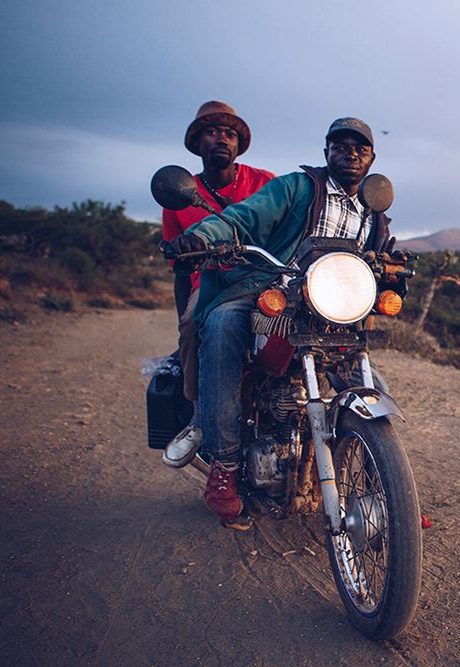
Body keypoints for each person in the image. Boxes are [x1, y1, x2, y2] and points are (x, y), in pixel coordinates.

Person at [167, 117, 393, 529]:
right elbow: (243, 217)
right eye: (340, 145)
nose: (350, 152)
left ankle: (389, 487)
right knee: (220, 327)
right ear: (326, 151)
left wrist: (393, 271)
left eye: (360, 147)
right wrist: (202, 236)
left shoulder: (373, 212)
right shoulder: (297, 187)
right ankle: (226, 465)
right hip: (270, 290)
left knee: (372, 382)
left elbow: (380, 257)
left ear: (372, 158)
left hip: (332, 309)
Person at [160, 101, 275, 468]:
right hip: (210, 284)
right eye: (212, 132)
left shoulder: (265, 184)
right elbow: (180, 269)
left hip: (264, 279)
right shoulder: (181, 194)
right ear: (198, 143)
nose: (221, 139)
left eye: (229, 133)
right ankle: (200, 420)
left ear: (239, 143)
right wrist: (185, 327)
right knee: (199, 325)